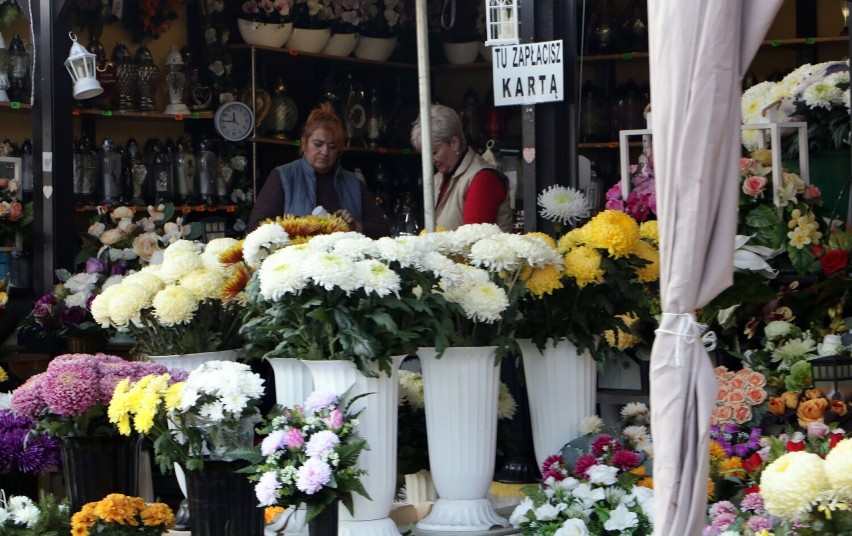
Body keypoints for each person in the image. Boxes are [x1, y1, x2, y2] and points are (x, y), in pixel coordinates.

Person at [247, 103, 390, 238]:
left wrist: (356, 227)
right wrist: (300, 226)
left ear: (339, 150)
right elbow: (255, 227)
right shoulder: (283, 176)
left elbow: (383, 230)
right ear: (304, 143)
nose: (325, 152)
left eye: (332, 146)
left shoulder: (353, 182)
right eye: (318, 144)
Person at [410, 104, 513, 232]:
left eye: (434, 152)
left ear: (454, 143)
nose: (430, 160)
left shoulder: (483, 178)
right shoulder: (438, 178)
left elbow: (472, 241)